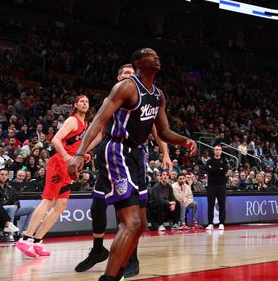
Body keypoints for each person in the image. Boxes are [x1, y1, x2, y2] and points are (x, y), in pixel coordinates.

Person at [68, 48, 196, 281]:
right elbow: (99, 120)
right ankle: (108, 275)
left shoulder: (158, 95)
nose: (157, 57)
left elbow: (164, 131)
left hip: (138, 155)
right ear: (138, 62)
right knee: (131, 221)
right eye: (150, 54)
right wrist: (79, 154)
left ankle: (116, 272)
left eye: (158, 54)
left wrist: (185, 140)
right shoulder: (127, 86)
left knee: (142, 223)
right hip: (117, 150)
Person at [76, 63, 173, 276]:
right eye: (124, 74)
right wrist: (81, 153)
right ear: (118, 77)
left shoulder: (145, 98)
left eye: (131, 73)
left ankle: (131, 260)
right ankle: (98, 248)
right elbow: (100, 131)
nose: (128, 77)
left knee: (131, 214)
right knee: (97, 205)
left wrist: (165, 153)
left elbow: (158, 130)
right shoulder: (111, 100)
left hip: (132, 155)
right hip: (110, 155)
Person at [15, 95, 90, 257]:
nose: (85, 104)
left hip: (69, 167)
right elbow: (56, 140)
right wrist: (66, 156)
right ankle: (25, 239)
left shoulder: (86, 124)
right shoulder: (72, 120)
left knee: (61, 205)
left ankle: (37, 241)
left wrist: (83, 155)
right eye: (82, 101)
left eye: (87, 102)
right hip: (58, 164)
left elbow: (74, 145)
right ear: (76, 105)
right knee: (48, 200)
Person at [205, 144, 229, 231]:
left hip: (221, 185)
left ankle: (221, 223)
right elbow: (209, 171)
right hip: (211, 185)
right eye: (216, 149)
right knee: (210, 204)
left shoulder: (224, 161)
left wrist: (215, 170)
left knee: (222, 204)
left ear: (221, 151)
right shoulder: (209, 161)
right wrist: (219, 169)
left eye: (219, 149)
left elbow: (224, 171)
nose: (218, 151)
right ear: (214, 151)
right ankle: (210, 223)